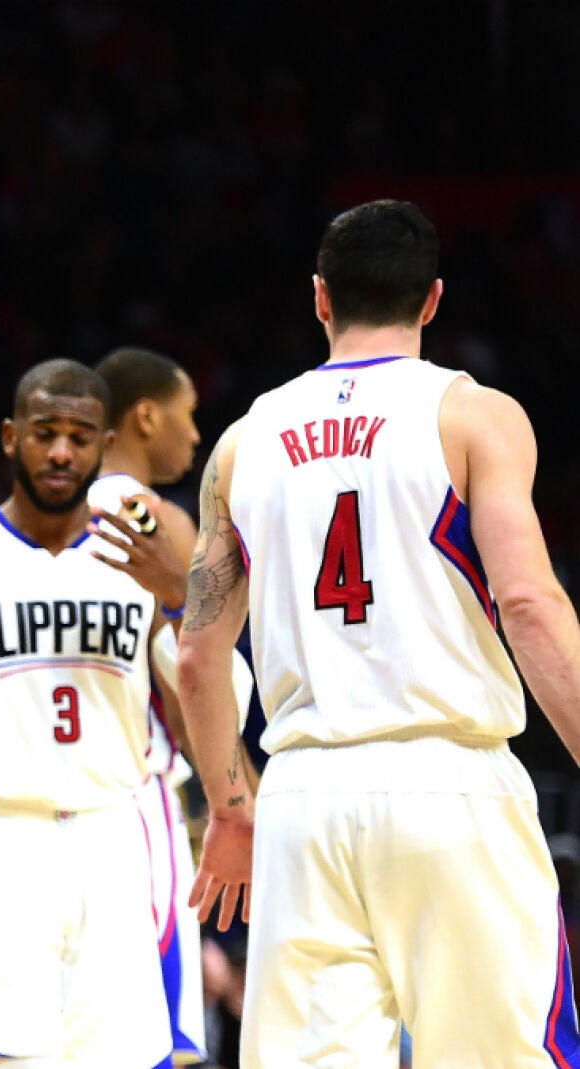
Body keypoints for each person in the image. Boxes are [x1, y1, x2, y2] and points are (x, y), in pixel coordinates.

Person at [180, 199, 580, 1065]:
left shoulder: (245, 440)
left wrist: (230, 805)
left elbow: (198, 649)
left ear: (320, 298)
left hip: (301, 796)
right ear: (433, 300)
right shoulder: (474, 414)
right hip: (450, 781)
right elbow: (531, 605)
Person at [0, 360, 187, 1066]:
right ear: (12, 437)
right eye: (46, 433)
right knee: (1, 1056)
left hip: (114, 826)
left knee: (130, 1055)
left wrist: (178, 597)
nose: (61, 452)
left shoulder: (141, 555)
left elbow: (198, 691)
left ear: (105, 446)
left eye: (79, 436)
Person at [88, 346, 213, 1066]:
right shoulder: (153, 517)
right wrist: (236, 791)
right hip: (138, 798)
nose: (195, 435)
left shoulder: (32, 517)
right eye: (187, 415)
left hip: (34, 805)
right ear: (145, 414)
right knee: (158, 1038)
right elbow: (193, 675)